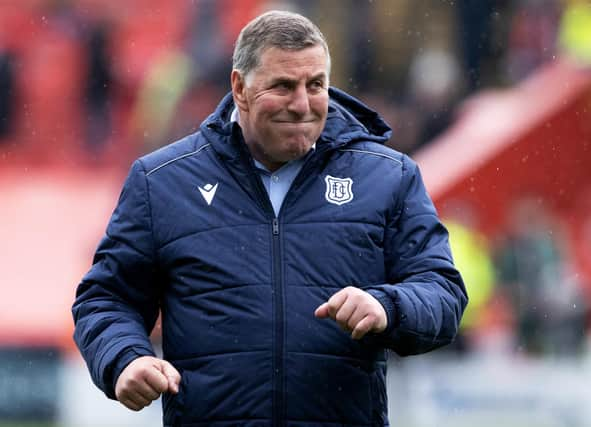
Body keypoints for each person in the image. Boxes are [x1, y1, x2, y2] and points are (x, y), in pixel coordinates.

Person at [72, 10, 467, 426]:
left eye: (316, 85)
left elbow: (442, 292)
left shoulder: (389, 177)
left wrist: (388, 306)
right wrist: (124, 358)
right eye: (283, 86)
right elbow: (106, 298)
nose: (302, 105)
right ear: (240, 88)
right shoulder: (163, 181)